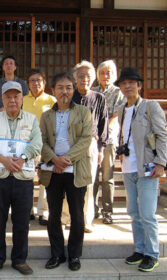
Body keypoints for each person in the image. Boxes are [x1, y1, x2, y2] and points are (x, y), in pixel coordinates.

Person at [0, 81, 42, 276]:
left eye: (16, 96)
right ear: (2, 99)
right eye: (8, 97)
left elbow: (37, 144)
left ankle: (19, 260)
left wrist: (23, 158)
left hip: (23, 179)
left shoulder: (32, 120)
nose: (12, 100)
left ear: (21, 99)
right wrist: (2, 158)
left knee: (22, 222)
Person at [114, 67, 167, 272]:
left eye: (132, 82)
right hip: (128, 167)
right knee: (134, 212)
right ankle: (139, 249)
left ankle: (152, 253)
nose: (127, 86)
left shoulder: (150, 106)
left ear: (139, 85)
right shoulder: (121, 109)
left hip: (148, 167)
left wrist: (161, 163)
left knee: (147, 213)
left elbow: (162, 135)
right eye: (124, 83)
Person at [39, 72, 92, 271]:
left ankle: (74, 255)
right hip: (53, 171)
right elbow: (41, 141)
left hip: (76, 170)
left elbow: (86, 139)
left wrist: (66, 159)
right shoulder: (46, 115)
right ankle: (57, 254)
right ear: (53, 91)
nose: (65, 91)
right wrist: (54, 159)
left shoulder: (83, 112)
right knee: (53, 214)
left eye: (69, 87)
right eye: (60, 87)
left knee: (77, 215)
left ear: (74, 89)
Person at [71, 60, 108, 232]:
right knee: (69, 181)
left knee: (88, 183)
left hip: (90, 144)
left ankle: (86, 220)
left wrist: (100, 148)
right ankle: (69, 217)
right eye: (81, 76)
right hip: (70, 143)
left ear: (93, 78)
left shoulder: (99, 98)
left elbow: (103, 125)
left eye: (88, 76)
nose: (84, 79)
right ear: (75, 78)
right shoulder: (69, 96)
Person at [92, 60, 126, 224]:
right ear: (98, 75)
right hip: (93, 140)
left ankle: (107, 210)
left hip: (109, 139)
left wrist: (102, 133)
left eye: (109, 72)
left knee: (107, 177)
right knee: (92, 176)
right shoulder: (93, 91)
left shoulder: (119, 93)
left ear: (114, 75)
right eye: (102, 72)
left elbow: (116, 116)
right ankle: (92, 209)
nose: (106, 75)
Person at [23, 68, 56, 226]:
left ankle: (43, 212)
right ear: (28, 84)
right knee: (27, 178)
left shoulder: (51, 100)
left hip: (45, 145)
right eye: (32, 80)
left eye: (39, 80)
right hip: (27, 145)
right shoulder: (22, 100)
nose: (36, 83)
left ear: (44, 83)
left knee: (44, 179)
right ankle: (27, 209)